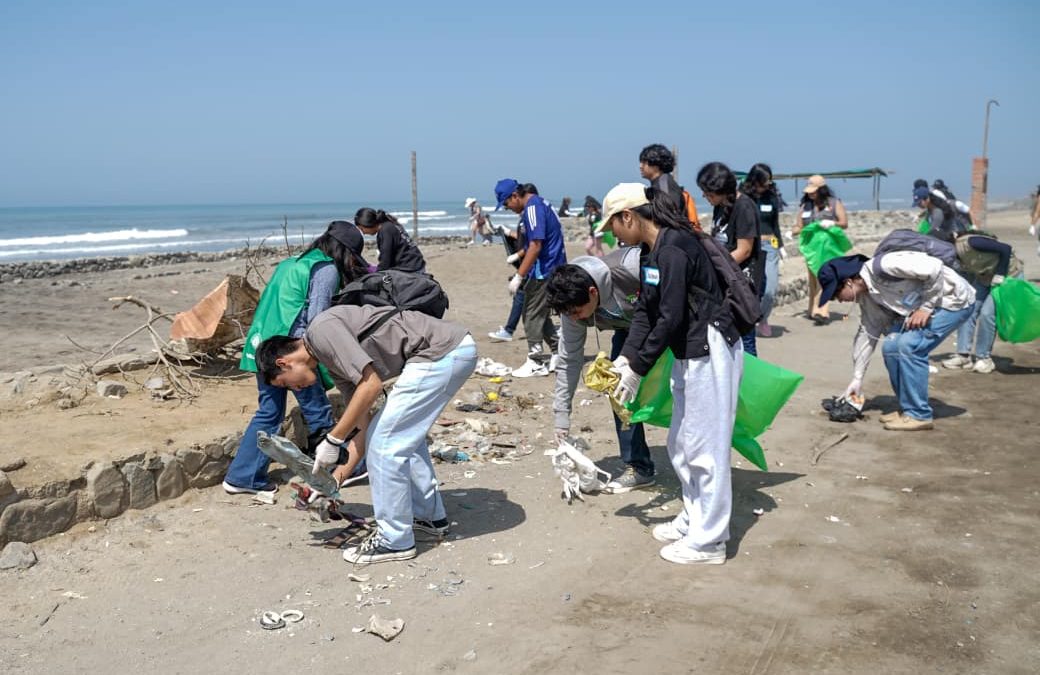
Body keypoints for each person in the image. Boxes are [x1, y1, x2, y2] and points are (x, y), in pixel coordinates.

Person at [257, 305, 477, 564]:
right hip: (447, 352)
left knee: (386, 445)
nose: (294, 388)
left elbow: (371, 385)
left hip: (439, 352)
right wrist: (329, 484)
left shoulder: (321, 331)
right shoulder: (333, 362)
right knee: (395, 437)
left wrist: (333, 438)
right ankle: (429, 518)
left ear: (284, 363)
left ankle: (394, 541)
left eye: (285, 382)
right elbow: (364, 431)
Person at [598, 182, 743, 565]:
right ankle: (694, 517)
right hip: (686, 353)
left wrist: (639, 369)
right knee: (681, 442)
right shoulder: (651, 251)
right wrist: (625, 360)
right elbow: (647, 310)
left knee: (705, 449)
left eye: (613, 225)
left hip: (707, 350)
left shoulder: (675, 248)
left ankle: (709, 542)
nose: (612, 234)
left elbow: (671, 316)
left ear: (628, 216)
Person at [223, 221, 370, 496]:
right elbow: (319, 319)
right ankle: (339, 469)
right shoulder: (325, 269)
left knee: (269, 412)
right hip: (295, 355)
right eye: (353, 257)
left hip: (264, 348)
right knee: (320, 416)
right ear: (344, 251)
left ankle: (242, 476)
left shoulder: (292, 263)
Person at [818, 252, 975, 431]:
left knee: (909, 346)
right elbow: (867, 334)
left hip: (953, 301)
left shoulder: (885, 265)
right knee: (891, 345)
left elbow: (935, 267)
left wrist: (926, 308)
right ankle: (907, 410)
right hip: (927, 309)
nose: (838, 300)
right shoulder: (868, 298)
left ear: (848, 282)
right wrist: (857, 378)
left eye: (836, 294)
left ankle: (919, 414)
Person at [546, 246, 655, 493]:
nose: (574, 319)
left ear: (593, 292)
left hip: (667, 327)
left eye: (577, 312)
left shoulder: (630, 268)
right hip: (629, 334)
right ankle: (639, 467)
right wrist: (561, 417)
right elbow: (569, 360)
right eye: (568, 315)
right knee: (618, 391)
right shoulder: (570, 306)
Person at [495, 178, 567, 377]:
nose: (508, 209)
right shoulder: (541, 204)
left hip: (546, 268)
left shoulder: (532, 208)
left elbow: (536, 245)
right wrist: (518, 256)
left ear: (515, 196)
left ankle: (535, 360)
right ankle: (557, 351)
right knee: (538, 310)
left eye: (507, 204)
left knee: (531, 313)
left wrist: (519, 275)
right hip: (550, 266)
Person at [699, 161, 764, 356]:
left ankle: (749, 385)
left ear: (723, 191)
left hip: (742, 283)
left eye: (708, 193)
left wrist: (712, 268)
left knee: (745, 340)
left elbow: (744, 250)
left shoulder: (744, 207)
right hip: (725, 281)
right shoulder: (720, 206)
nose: (705, 197)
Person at [939, 232, 1024, 374]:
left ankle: (984, 359)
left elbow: (1005, 248)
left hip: (1009, 276)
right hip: (985, 277)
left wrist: (1000, 275)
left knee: (987, 314)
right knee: (968, 309)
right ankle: (963, 356)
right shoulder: (951, 256)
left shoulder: (971, 242)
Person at [794, 175, 849, 324]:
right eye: (809, 191)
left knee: (824, 277)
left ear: (822, 189)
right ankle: (813, 309)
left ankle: (822, 311)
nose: (811, 194)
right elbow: (799, 225)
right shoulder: (805, 206)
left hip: (828, 247)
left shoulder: (834, 203)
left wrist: (831, 223)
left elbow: (844, 223)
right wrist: (791, 232)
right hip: (811, 248)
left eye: (814, 191)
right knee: (813, 279)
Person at [741, 163, 784, 338]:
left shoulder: (772, 197)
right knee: (752, 288)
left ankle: (763, 318)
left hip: (770, 245)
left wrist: (780, 246)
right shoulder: (744, 197)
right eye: (764, 181)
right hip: (751, 247)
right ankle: (750, 322)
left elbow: (775, 223)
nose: (767, 185)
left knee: (770, 289)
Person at [638, 143, 699, 227]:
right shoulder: (662, 182)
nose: (640, 166)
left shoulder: (664, 186)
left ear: (656, 163)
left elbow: (669, 217)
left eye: (644, 162)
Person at [354, 207, 428, 274]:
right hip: (416, 264)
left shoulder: (386, 230)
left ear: (368, 224)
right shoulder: (389, 224)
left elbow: (385, 261)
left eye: (362, 229)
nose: (363, 233)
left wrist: (376, 273)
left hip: (410, 268)